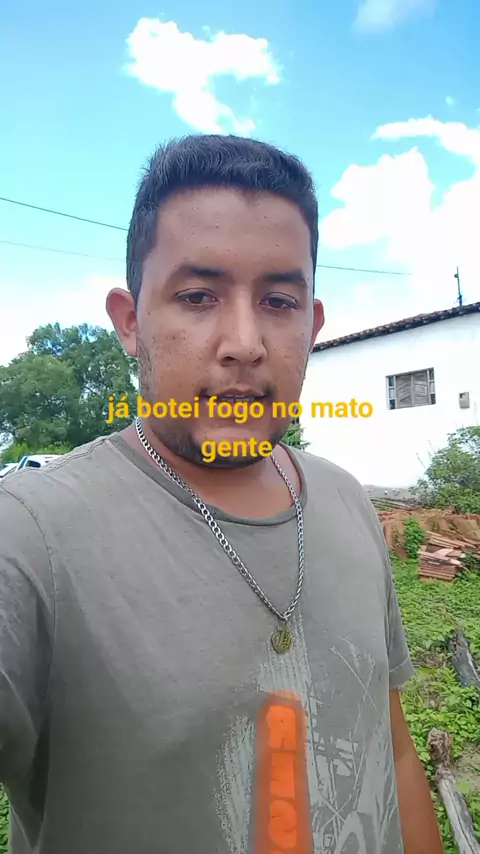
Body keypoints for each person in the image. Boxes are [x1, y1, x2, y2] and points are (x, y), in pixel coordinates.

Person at [0, 134, 442, 854]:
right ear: (131, 321)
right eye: (198, 297)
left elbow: (390, 752)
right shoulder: (32, 538)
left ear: (312, 326)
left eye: (278, 301)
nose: (244, 342)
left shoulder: (347, 503)